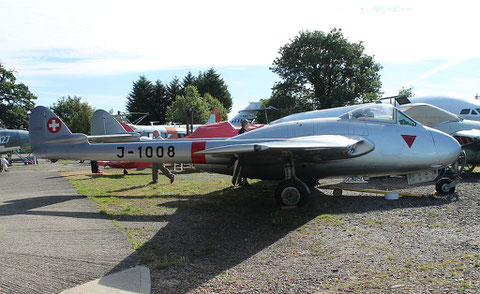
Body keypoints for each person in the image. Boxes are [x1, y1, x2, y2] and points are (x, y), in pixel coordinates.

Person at [237, 121, 251, 186]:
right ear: (245, 125)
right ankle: (244, 182)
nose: (249, 125)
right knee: (243, 167)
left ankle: (242, 181)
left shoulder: (242, 131)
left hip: (242, 152)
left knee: (242, 167)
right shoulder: (243, 132)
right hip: (243, 152)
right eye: (248, 124)